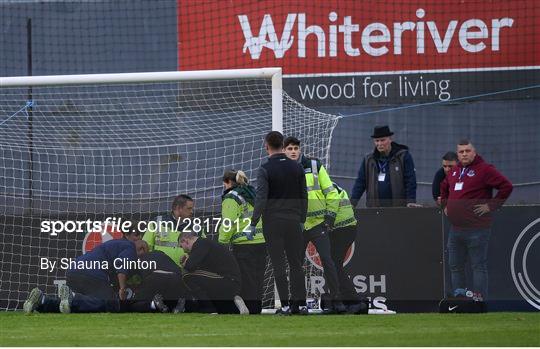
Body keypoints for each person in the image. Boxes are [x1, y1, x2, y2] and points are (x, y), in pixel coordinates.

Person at [440, 139, 513, 299]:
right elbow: (444, 187)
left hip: (477, 229)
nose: (464, 154)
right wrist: (445, 205)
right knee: (455, 266)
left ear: (474, 152)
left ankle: (479, 301)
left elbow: (506, 186)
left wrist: (491, 206)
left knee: (478, 266)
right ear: (457, 154)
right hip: (456, 228)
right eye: (461, 151)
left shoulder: (485, 169)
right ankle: (460, 300)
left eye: (467, 151)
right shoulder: (454, 171)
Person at [283, 136, 346, 314]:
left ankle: (337, 301)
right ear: (284, 151)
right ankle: (297, 304)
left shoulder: (315, 165)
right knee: (295, 266)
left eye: (296, 148)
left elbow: (331, 193)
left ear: (300, 149)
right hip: (297, 227)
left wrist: (330, 218)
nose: (293, 151)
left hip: (319, 225)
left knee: (328, 261)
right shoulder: (281, 171)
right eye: (289, 148)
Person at [249, 131, 308, 315]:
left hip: (273, 222)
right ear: (283, 146)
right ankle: (302, 305)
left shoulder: (264, 169)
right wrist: (302, 219)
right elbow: (303, 196)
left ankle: (285, 306)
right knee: (296, 264)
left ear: (266, 145)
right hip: (293, 221)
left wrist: (253, 223)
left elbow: (261, 200)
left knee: (278, 265)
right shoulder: (297, 167)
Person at [24, 239, 155, 314]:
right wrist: (122, 289)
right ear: (142, 249)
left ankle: (42, 301)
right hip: (92, 273)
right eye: (143, 256)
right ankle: (73, 297)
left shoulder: (117, 245)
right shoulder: (131, 248)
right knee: (111, 304)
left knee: (73, 306)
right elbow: (121, 266)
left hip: (74, 270)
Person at [218, 169, 266, 314]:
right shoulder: (252, 192)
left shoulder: (231, 198)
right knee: (258, 279)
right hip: (261, 242)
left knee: (248, 280)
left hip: (244, 244)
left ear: (226, 182)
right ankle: (257, 309)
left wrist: (221, 242)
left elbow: (228, 223)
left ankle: (251, 310)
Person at [179, 231, 249, 314]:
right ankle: (234, 303)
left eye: (181, 246)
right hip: (230, 282)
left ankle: (208, 308)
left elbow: (190, 267)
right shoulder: (206, 245)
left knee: (186, 275)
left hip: (228, 281)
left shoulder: (200, 243)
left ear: (185, 241)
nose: (182, 250)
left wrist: (184, 263)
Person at [351, 125, 417, 207]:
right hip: (375, 209)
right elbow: (360, 183)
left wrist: (411, 201)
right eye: (377, 141)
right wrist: (352, 203)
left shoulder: (403, 156)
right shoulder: (368, 159)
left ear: (390, 139)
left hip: (398, 208)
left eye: (382, 140)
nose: (379, 144)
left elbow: (410, 180)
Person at [328, 182, 368, 314]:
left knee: (334, 266)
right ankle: (347, 301)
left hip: (342, 229)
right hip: (347, 227)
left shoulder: (320, 187)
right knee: (334, 265)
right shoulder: (329, 184)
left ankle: (354, 301)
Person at [143, 194, 202, 266]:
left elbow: (203, 249)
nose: (192, 211)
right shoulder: (157, 222)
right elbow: (145, 246)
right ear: (178, 208)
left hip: (186, 272)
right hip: (160, 270)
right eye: (189, 208)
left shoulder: (196, 227)